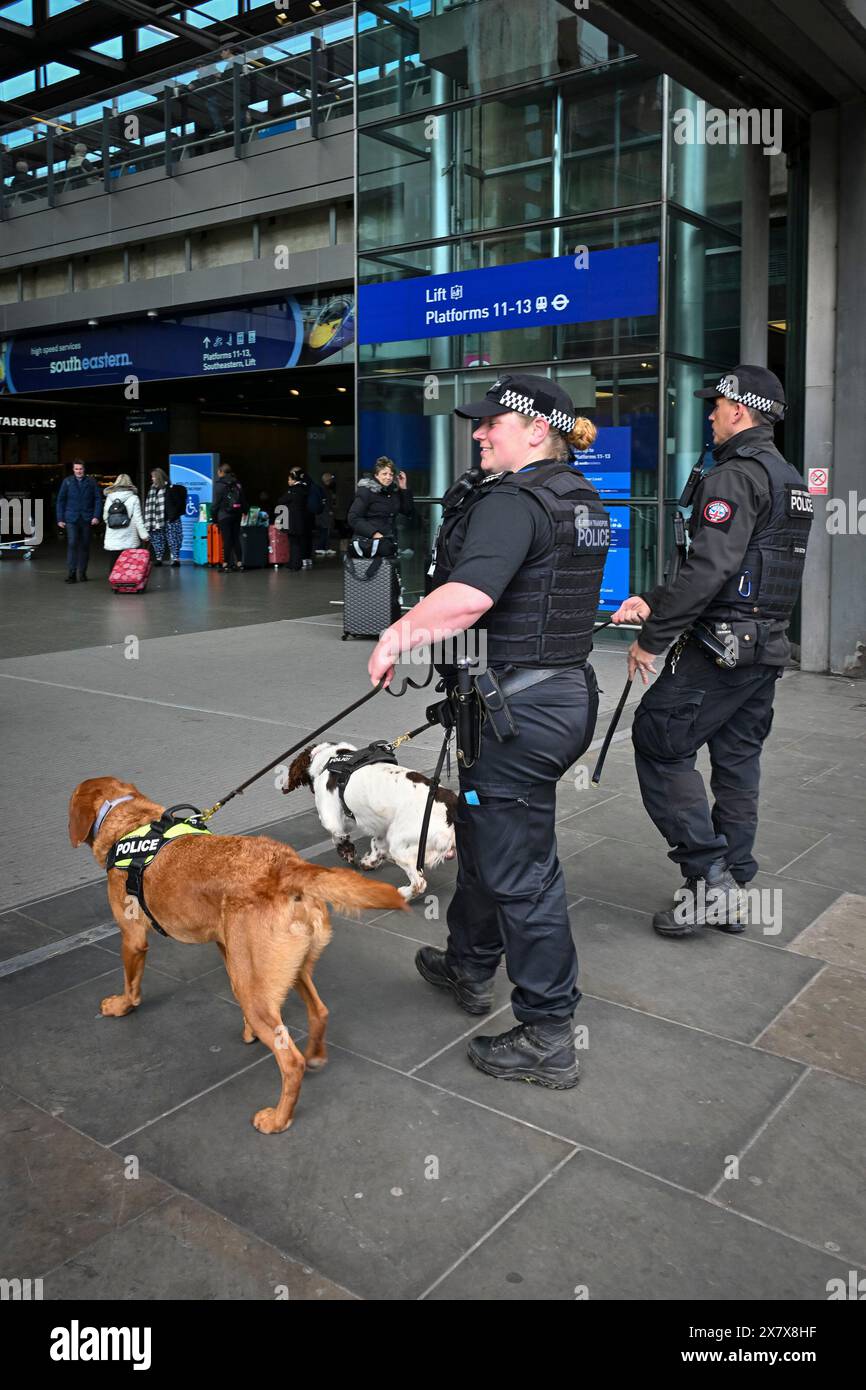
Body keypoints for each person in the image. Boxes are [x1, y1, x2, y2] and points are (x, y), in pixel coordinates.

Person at [367, 374, 609, 1089]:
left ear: (536, 430)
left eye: (492, 422)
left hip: (519, 713)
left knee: (522, 871)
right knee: (480, 833)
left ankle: (549, 1031)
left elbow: (470, 597)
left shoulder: (513, 501)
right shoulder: (578, 497)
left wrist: (396, 637)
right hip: (553, 696)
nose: (479, 433)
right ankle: (468, 963)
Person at [611, 365, 813, 937]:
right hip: (765, 646)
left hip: (721, 648)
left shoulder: (734, 476)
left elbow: (710, 568)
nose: (710, 414)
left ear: (740, 412)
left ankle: (708, 880)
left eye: (717, 405)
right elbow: (744, 567)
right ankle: (734, 876)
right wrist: (654, 600)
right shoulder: (788, 478)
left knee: (657, 739)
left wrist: (652, 641)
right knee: (737, 759)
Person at [348, 457, 413, 551]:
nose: (388, 477)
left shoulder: (393, 491)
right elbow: (353, 517)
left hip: (389, 543)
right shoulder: (366, 491)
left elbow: (407, 511)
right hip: (369, 545)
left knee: (389, 565)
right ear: (376, 475)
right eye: (384, 474)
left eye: (391, 474)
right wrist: (374, 534)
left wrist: (403, 488)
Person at [56, 459, 102, 582]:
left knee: (85, 546)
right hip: (71, 518)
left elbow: (98, 499)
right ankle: (71, 573)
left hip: (87, 518)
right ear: (73, 469)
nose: (78, 471)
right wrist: (60, 518)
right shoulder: (67, 482)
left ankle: (82, 573)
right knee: (72, 544)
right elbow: (60, 500)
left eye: (80, 469)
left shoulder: (91, 482)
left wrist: (96, 516)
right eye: (76, 469)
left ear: (84, 469)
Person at [144, 468, 186, 566]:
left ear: (159, 477)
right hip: (156, 521)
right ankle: (159, 559)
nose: (152, 479)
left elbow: (178, 503)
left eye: (153, 477)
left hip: (171, 520)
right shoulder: (152, 490)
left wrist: (174, 515)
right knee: (157, 539)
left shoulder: (171, 488)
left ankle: (176, 559)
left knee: (174, 539)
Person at [103, 474, 149, 557]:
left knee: (114, 564)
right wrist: (144, 535)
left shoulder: (109, 498)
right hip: (129, 536)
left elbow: (105, 517)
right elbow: (138, 519)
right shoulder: (134, 498)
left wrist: (114, 522)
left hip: (113, 536)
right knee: (128, 565)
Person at [274, 467, 310, 571]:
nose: (288, 481)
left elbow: (281, 500)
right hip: (301, 520)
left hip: (293, 521)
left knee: (294, 543)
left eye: (289, 479)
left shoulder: (294, 490)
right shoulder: (304, 489)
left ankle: (294, 564)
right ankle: (295, 562)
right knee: (297, 542)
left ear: (294, 480)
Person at [211, 462, 245, 572]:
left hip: (224, 515)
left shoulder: (219, 485)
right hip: (237, 514)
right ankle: (239, 563)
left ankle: (226, 564)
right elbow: (243, 499)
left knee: (227, 540)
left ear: (221, 472)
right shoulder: (237, 483)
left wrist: (214, 518)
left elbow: (215, 504)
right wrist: (244, 511)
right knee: (236, 538)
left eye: (218, 471)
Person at [315, 472, 338, 556]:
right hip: (325, 514)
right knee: (325, 530)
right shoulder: (324, 489)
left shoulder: (323, 489)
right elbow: (326, 502)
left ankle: (326, 547)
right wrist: (329, 511)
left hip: (323, 513)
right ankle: (321, 547)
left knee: (325, 530)